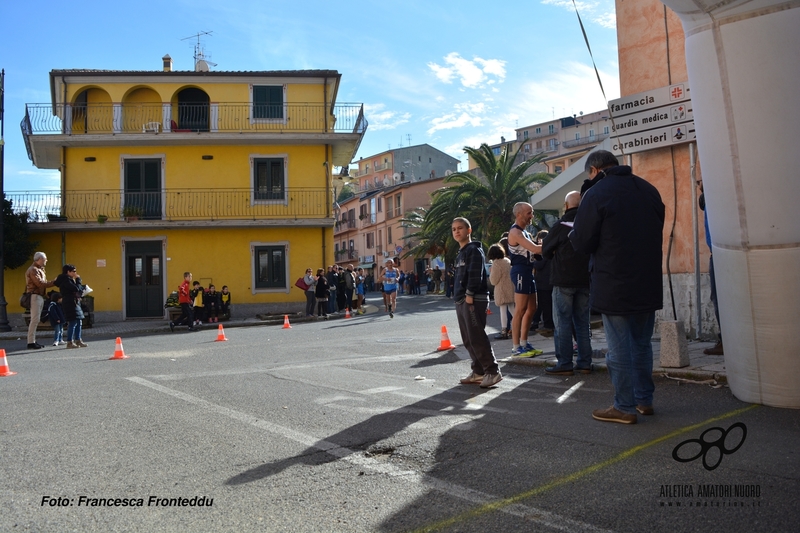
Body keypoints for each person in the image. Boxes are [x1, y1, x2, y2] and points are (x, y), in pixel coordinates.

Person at [570, 150, 665, 424]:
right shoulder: (648, 189)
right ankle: (644, 401)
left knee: (620, 347)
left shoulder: (597, 194)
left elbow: (583, 241)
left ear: (595, 170)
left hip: (614, 281)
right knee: (642, 344)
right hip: (647, 281)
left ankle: (624, 406)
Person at [542, 191, 593, 375]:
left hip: (563, 279)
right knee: (582, 322)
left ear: (566, 206)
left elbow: (546, 249)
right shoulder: (589, 224)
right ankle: (585, 362)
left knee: (562, 322)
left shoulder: (560, 225)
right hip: (585, 280)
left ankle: (564, 363)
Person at [452, 217, 501, 388]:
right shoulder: (460, 253)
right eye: (454, 229)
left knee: (477, 336)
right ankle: (479, 371)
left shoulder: (473, 250)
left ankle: (492, 371)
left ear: (469, 230)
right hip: (461, 299)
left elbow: (475, 273)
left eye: (460, 228)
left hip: (473, 299)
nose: (457, 231)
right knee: (468, 338)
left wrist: (469, 294)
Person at [508, 202, 543, 356]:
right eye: (529, 213)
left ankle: (524, 342)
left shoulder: (525, 233)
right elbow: (536, 249)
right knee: (520, 309)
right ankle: (516, 347)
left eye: (532, 212)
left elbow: (535, 252)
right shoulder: (516, 232)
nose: (532, 216)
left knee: (532, 308)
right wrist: (555, 242)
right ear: (519, 215)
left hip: (528, 271)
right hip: (520, 271)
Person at [698, 182, 723, 356]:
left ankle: (727, 340)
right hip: (715, 252)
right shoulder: (707, 199)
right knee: (717, 298)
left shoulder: (717, 196)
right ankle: (725, 339)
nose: (699, 183)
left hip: (721, 253)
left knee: (721, 299)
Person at [25, 251, 56, 349]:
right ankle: (30, 342)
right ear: (39, 259)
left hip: (39, 296)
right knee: (35, 319)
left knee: (36, 319)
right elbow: (40, 283)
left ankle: (32, 341)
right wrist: (54, 282)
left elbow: (41, 284)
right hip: (35, 296)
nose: (46, 260)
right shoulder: (33, 270)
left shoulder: (39, 269)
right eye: (45, 259)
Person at [54, 264, 88, 348]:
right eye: (74, 271)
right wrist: (78, 279)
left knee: (79, 321)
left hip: (75, 302)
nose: (75, 273)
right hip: (69, 303)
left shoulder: (69, 279)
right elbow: (76, 288)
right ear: (68, 272)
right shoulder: (65, 280)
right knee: (72, 322)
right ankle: (70, 342)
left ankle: (78, 340)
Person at [488, 244, 515, 340]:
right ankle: (519, 327)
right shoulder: (507, 261)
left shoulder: (496, 264)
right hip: (511, 288)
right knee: (513, 310)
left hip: (501, 290)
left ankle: (504, 331)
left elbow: (493, 280)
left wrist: (491, 272)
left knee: (503, 310)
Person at [531, 230, 555, 336]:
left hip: (543, 283)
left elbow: (539, 265)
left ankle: (548, 324)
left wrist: (534, 262)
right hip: (549, 281)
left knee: (546, 305)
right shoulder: (552, 250)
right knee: (548, 304)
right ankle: (548, 323)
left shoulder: (545, 252)